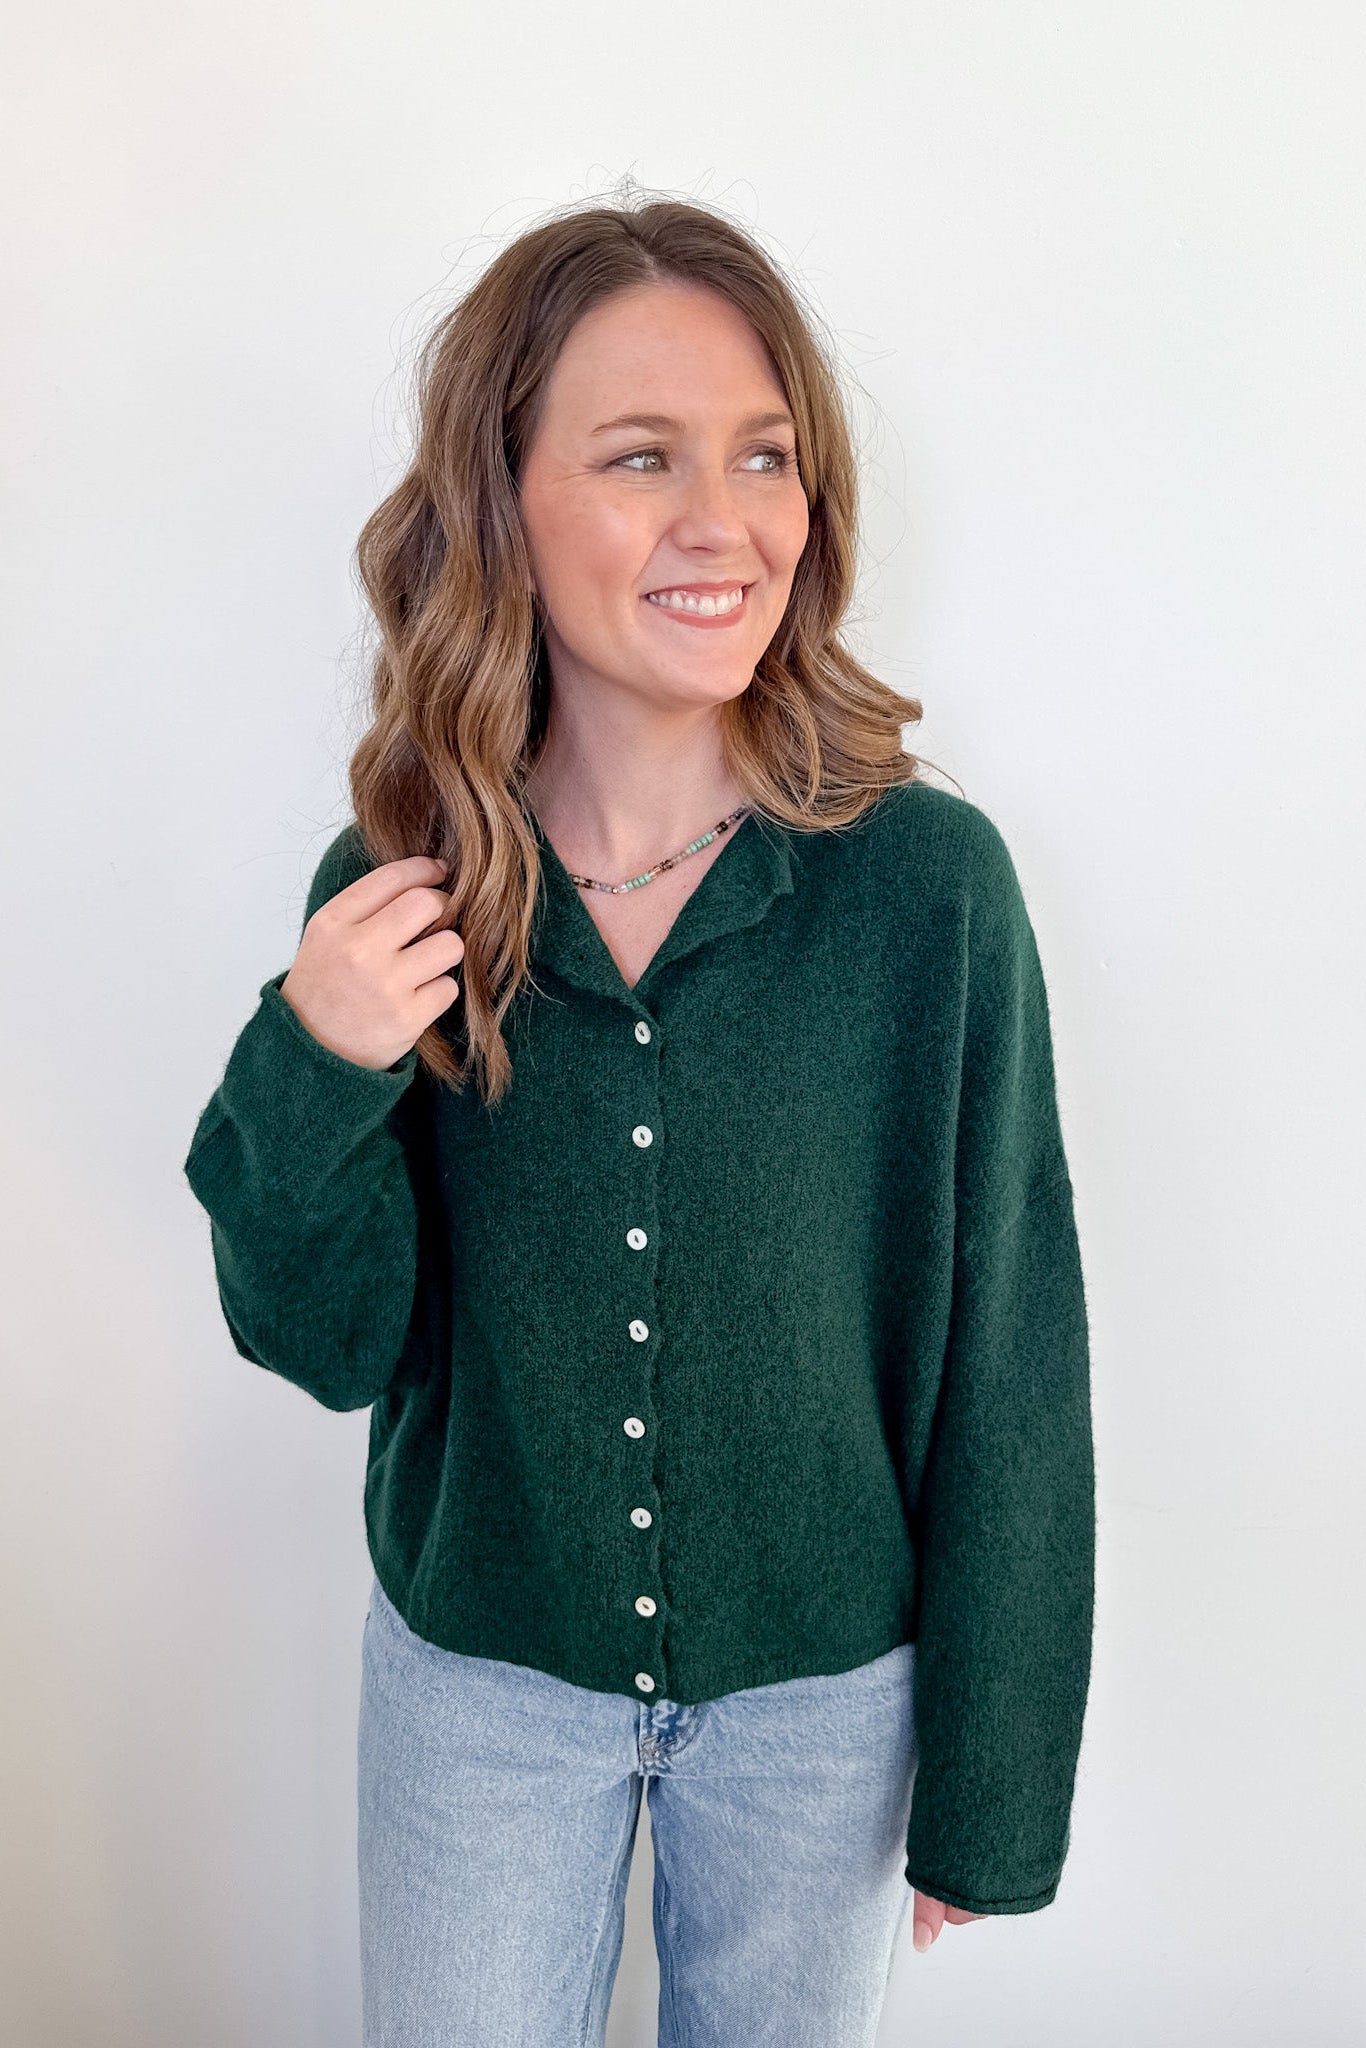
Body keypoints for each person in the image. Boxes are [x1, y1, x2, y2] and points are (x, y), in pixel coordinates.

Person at [182, 193, 1095, 2048]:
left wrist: (992, 1788)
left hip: (823, 1707)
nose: (724, 521)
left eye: (765, 457)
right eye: (637, 456)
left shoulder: (927, 890)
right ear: (502, 501)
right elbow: (322, 1341)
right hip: (479, 1696)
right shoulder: (405, 888)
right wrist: (316, 1056)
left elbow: (1009, 1362)